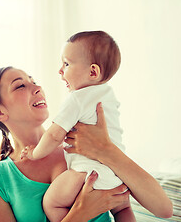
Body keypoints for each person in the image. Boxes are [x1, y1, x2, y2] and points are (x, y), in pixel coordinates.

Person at [0, 66, 173, 222]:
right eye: (20, 86)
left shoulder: (83, 148)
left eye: (34, 81)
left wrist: (107, 150)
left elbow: (164, 209)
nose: (37, 88)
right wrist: (80, 213)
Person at [20, 31, 133, 221]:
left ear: (93, 72)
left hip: (87, 173)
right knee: (122, 209)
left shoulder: (77, 98)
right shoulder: (108, 94)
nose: (60, 70)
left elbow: (54, 135)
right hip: (116, 172)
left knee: (51, 202)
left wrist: (34, 154)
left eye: (66, 63)